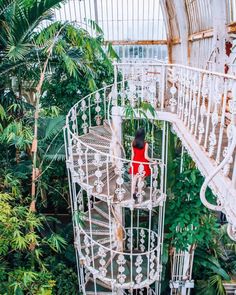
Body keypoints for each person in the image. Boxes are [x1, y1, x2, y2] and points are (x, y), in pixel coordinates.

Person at [129, 128, 155, 199]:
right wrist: (153, 161)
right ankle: (139, 193)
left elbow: (132, 155)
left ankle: (133, 193)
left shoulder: (133, 142)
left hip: (135, 162)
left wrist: (131, 163)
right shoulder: (145, 144)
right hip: (143, 164)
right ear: (143, 135)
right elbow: (146, 157)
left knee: (134, 178)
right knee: (141, 179)